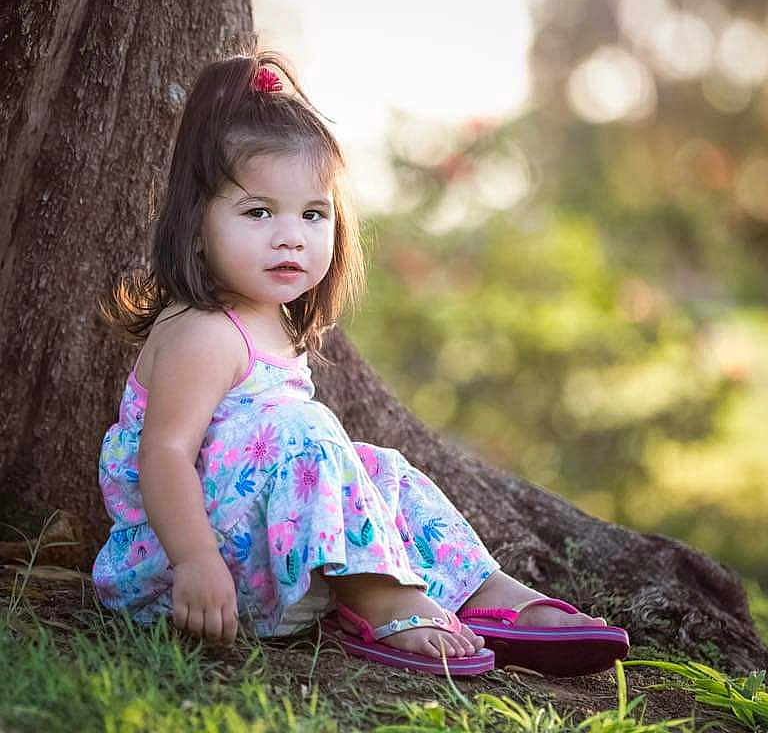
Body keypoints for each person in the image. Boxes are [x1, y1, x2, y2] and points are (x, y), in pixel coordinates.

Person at [92, 45, 629, 676]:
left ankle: (484, 594)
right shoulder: (201, 330)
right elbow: (164, 454)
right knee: (308, 430)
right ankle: (380, 598)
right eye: (258, 211)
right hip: (183, 569)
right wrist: (196, 564)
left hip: (260, 552)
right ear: (195, 221)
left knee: (383, 468)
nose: (291, 234)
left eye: (312, 213)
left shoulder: (271, 321)